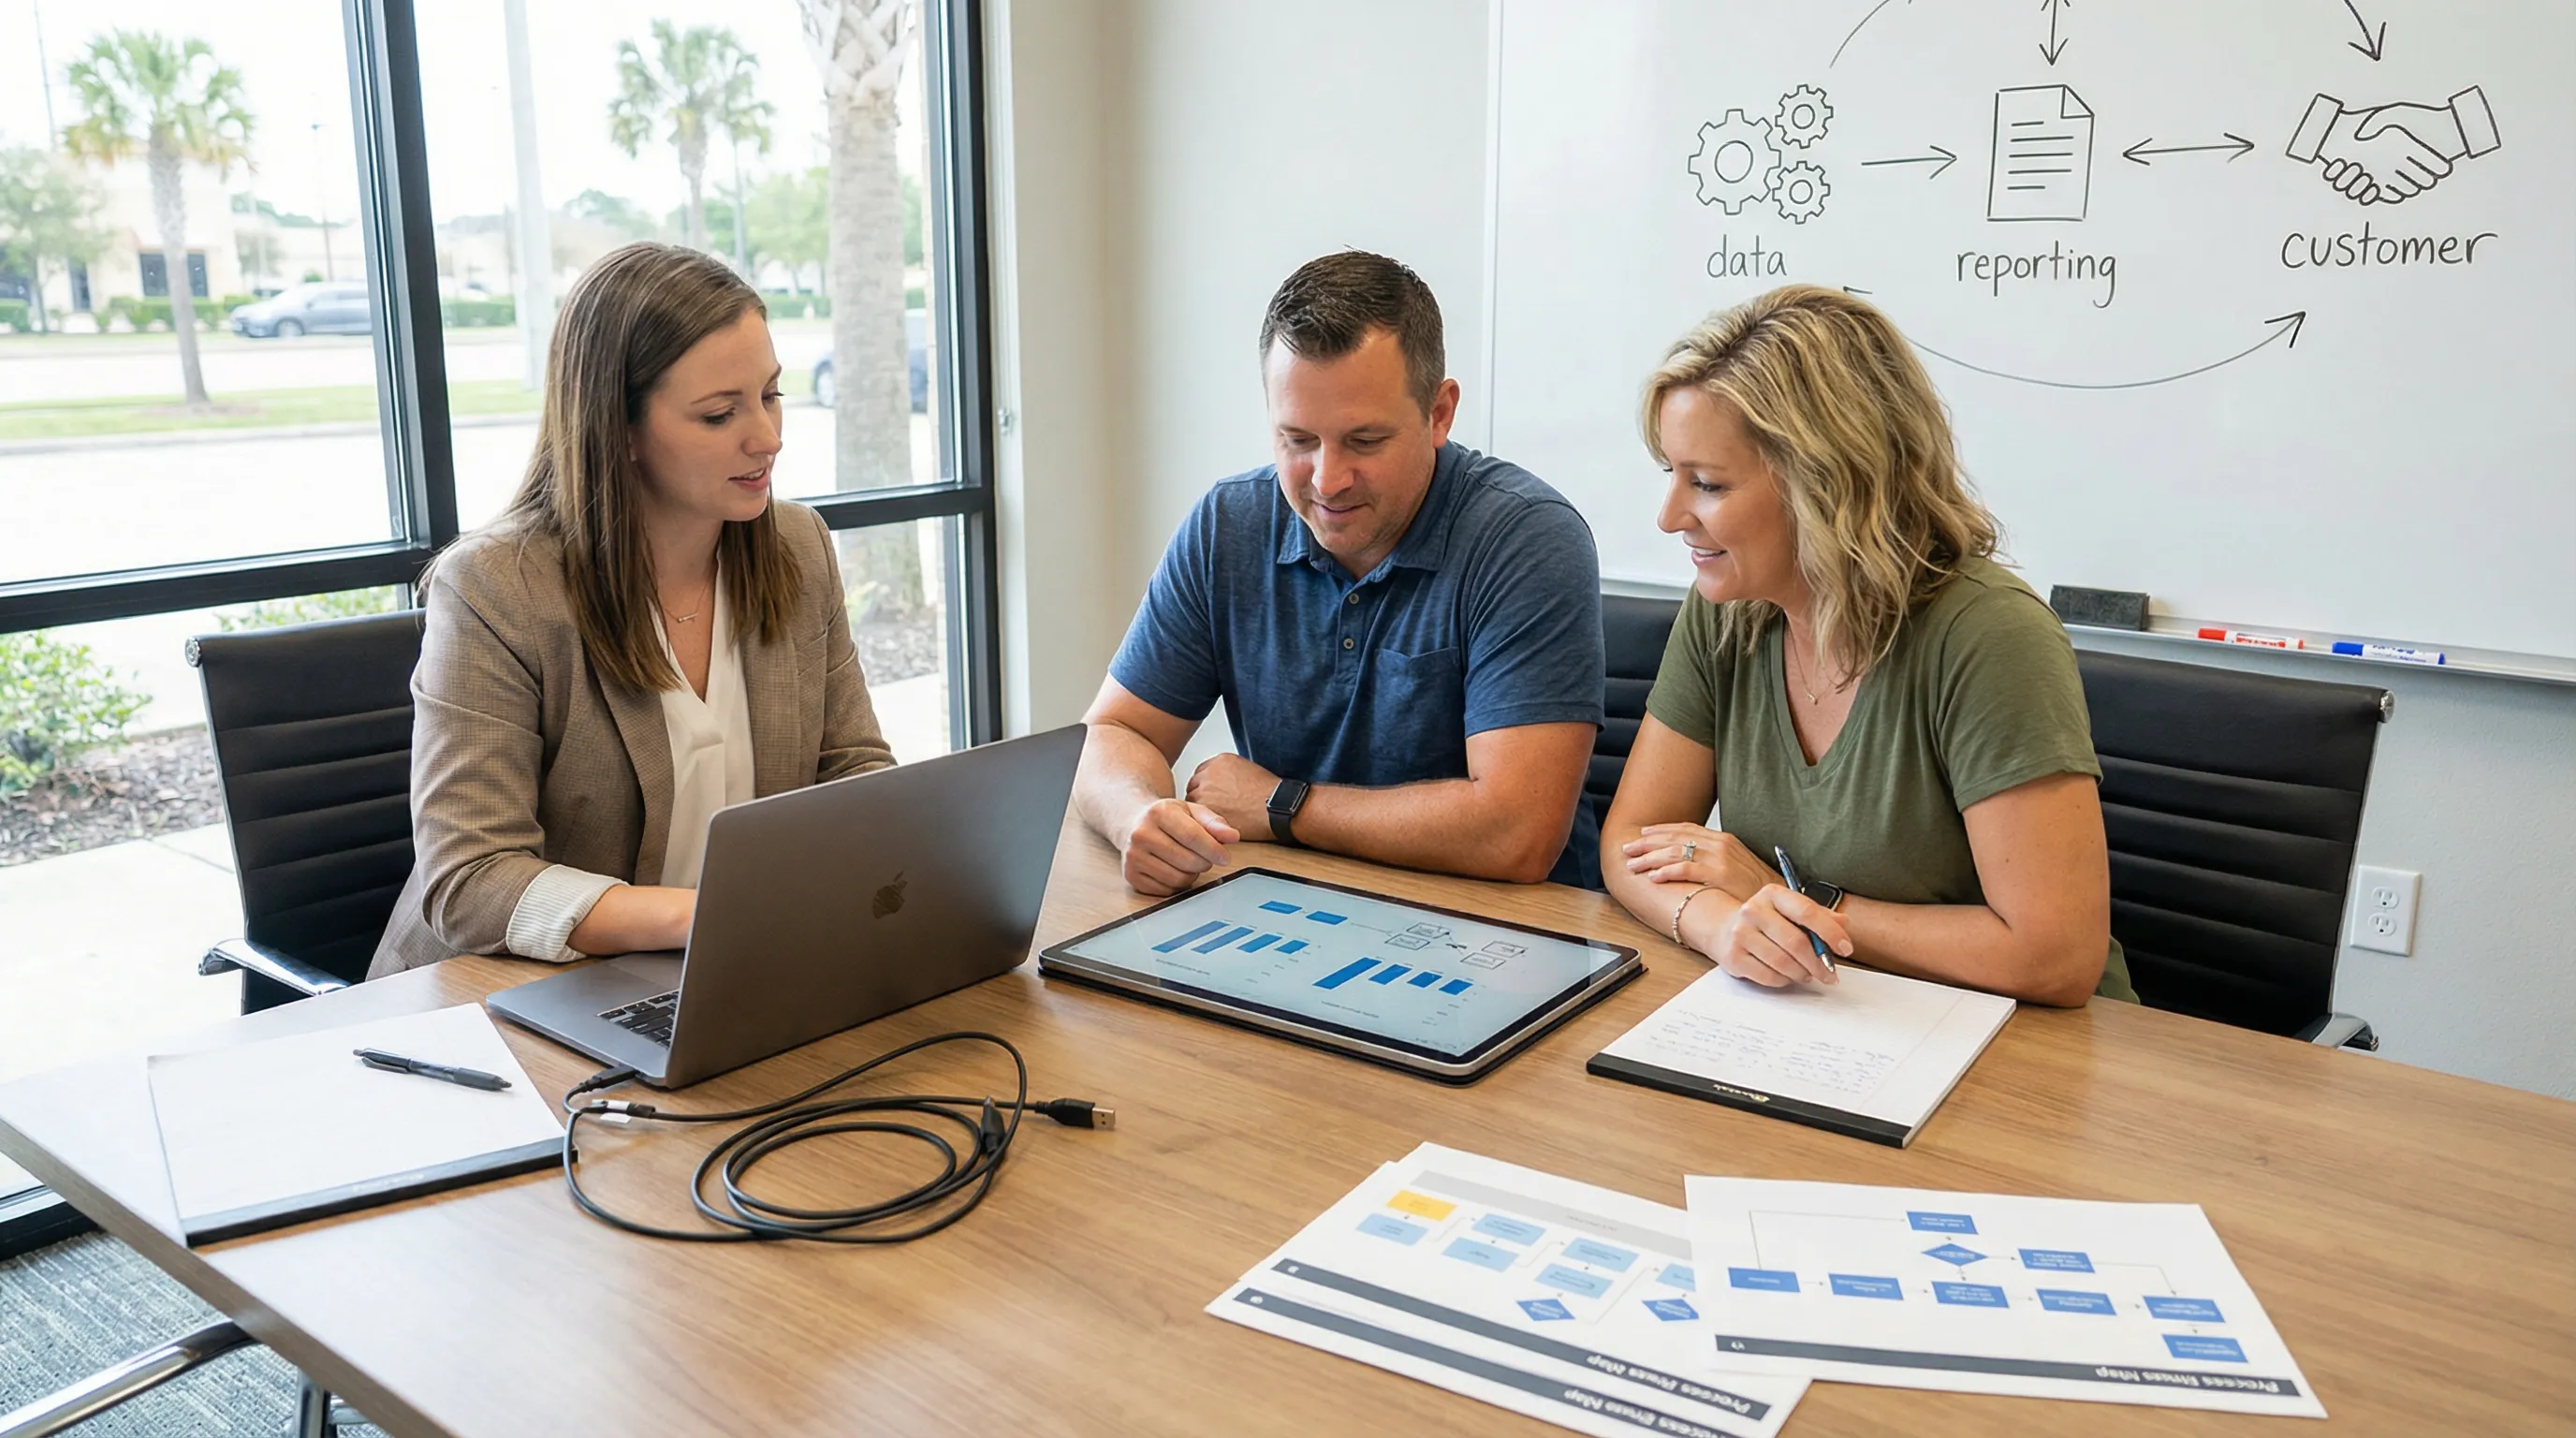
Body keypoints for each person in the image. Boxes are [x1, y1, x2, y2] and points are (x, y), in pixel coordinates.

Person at [369, 243, 894, 977]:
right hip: (502, 992)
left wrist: (902, 866)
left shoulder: (797, 546)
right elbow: (472, 881)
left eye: (771, 395)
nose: (768, 438)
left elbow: (853, 769)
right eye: (720, 414)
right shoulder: (497, 589)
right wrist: (716, 914)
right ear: (617, 428)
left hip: (725, 964)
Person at [1601, 285, 2134, 1006]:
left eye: (1709, 484)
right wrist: (1718, 924)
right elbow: (1632, 842)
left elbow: (2056, 957)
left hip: (2033, 1044)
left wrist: (1794, 899)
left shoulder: (1991, 636)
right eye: (1673, 475)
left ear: (1828, 483)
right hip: (1839, 1017)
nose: (1670, 518)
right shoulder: (1726, 609)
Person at [1076, 250, 1604, 896]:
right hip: (1296, 904)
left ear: (1439, 413)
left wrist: (1282, 805)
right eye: (1298, 440)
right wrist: (1135, 815)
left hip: (1510, 928)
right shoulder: (1228, 525)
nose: (1328, 480)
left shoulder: (1527, 538)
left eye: (1364, 441)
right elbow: (1113, 731)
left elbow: (1516, 833)